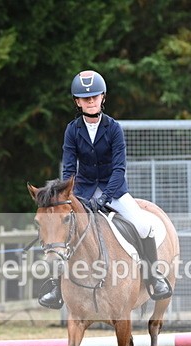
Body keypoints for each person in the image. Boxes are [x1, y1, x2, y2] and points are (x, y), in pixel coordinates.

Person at [38, 69, 173, 309]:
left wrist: (105, 198)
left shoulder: (113, 128)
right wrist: (71, 196)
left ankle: (154, 277)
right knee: (62, 230)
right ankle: (56, 287)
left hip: (114, 190)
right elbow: (68, 169)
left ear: (102, 98)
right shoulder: (72, 130)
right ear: (77, 102)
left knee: (144, 225)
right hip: (82, 191)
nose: (90, 101)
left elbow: (119, 169)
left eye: (94, 96)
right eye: (85, 98)